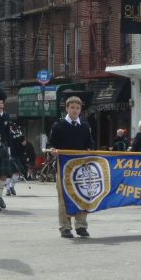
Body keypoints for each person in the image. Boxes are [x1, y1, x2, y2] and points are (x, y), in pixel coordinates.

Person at [50, 96, 95, 238]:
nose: (75, 110)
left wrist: (89, 150)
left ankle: (81, 225)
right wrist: (53, 151)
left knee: (83, 196)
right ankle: (65, 227)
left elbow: (90, 144)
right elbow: (51, 145)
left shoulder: (85, 126)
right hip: (64, 168)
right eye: (72, 108)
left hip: (82, 169)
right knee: (64, 198)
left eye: (77, 108)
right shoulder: (58, 125)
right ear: (67, 109)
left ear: (80, 109)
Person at [6, 123, 26, 196]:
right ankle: (9, 188)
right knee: (10, 173)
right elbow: (24, 143)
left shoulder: (16, 134)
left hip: (15, 155)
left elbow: (23, 143)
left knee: (15, 173)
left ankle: (11, 188)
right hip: (12, 155)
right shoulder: (19, 134)